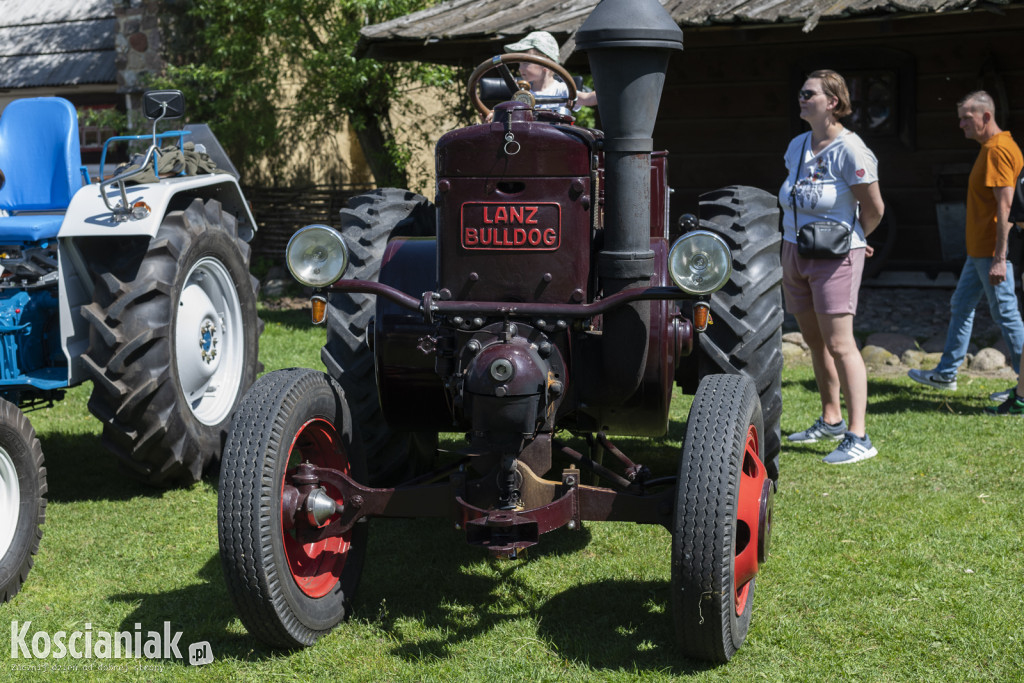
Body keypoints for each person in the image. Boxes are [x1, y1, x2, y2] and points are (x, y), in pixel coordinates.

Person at [780, 69, 885, 465]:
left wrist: (856, 238)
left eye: (809, 94)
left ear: (833, 103)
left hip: (835, 255)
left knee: (841, 344)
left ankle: (860, 436)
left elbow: (874, 208)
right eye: (801, 93)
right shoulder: (797, 145)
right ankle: (831, 418)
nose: (801, 99)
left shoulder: (851, 150)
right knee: (814, 341)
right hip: (794, 249)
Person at [908, 91, 1024, 396]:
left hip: (991, 252)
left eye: (966, 118)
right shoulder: (992, 147)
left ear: (986, 116)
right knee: (962, 305)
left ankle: (1023, 386)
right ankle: (947, 373)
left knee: (1006, 315)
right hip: (978, 253)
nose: (960, 124)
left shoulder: (998, 150)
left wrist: (1000, 257)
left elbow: (1006, 206)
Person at [502, 31, 597, 111]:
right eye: (519, 63)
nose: (520, 68)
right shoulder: (522, 92)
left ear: (546, 64)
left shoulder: (561, 91)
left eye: (525, 63)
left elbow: (588, 99)